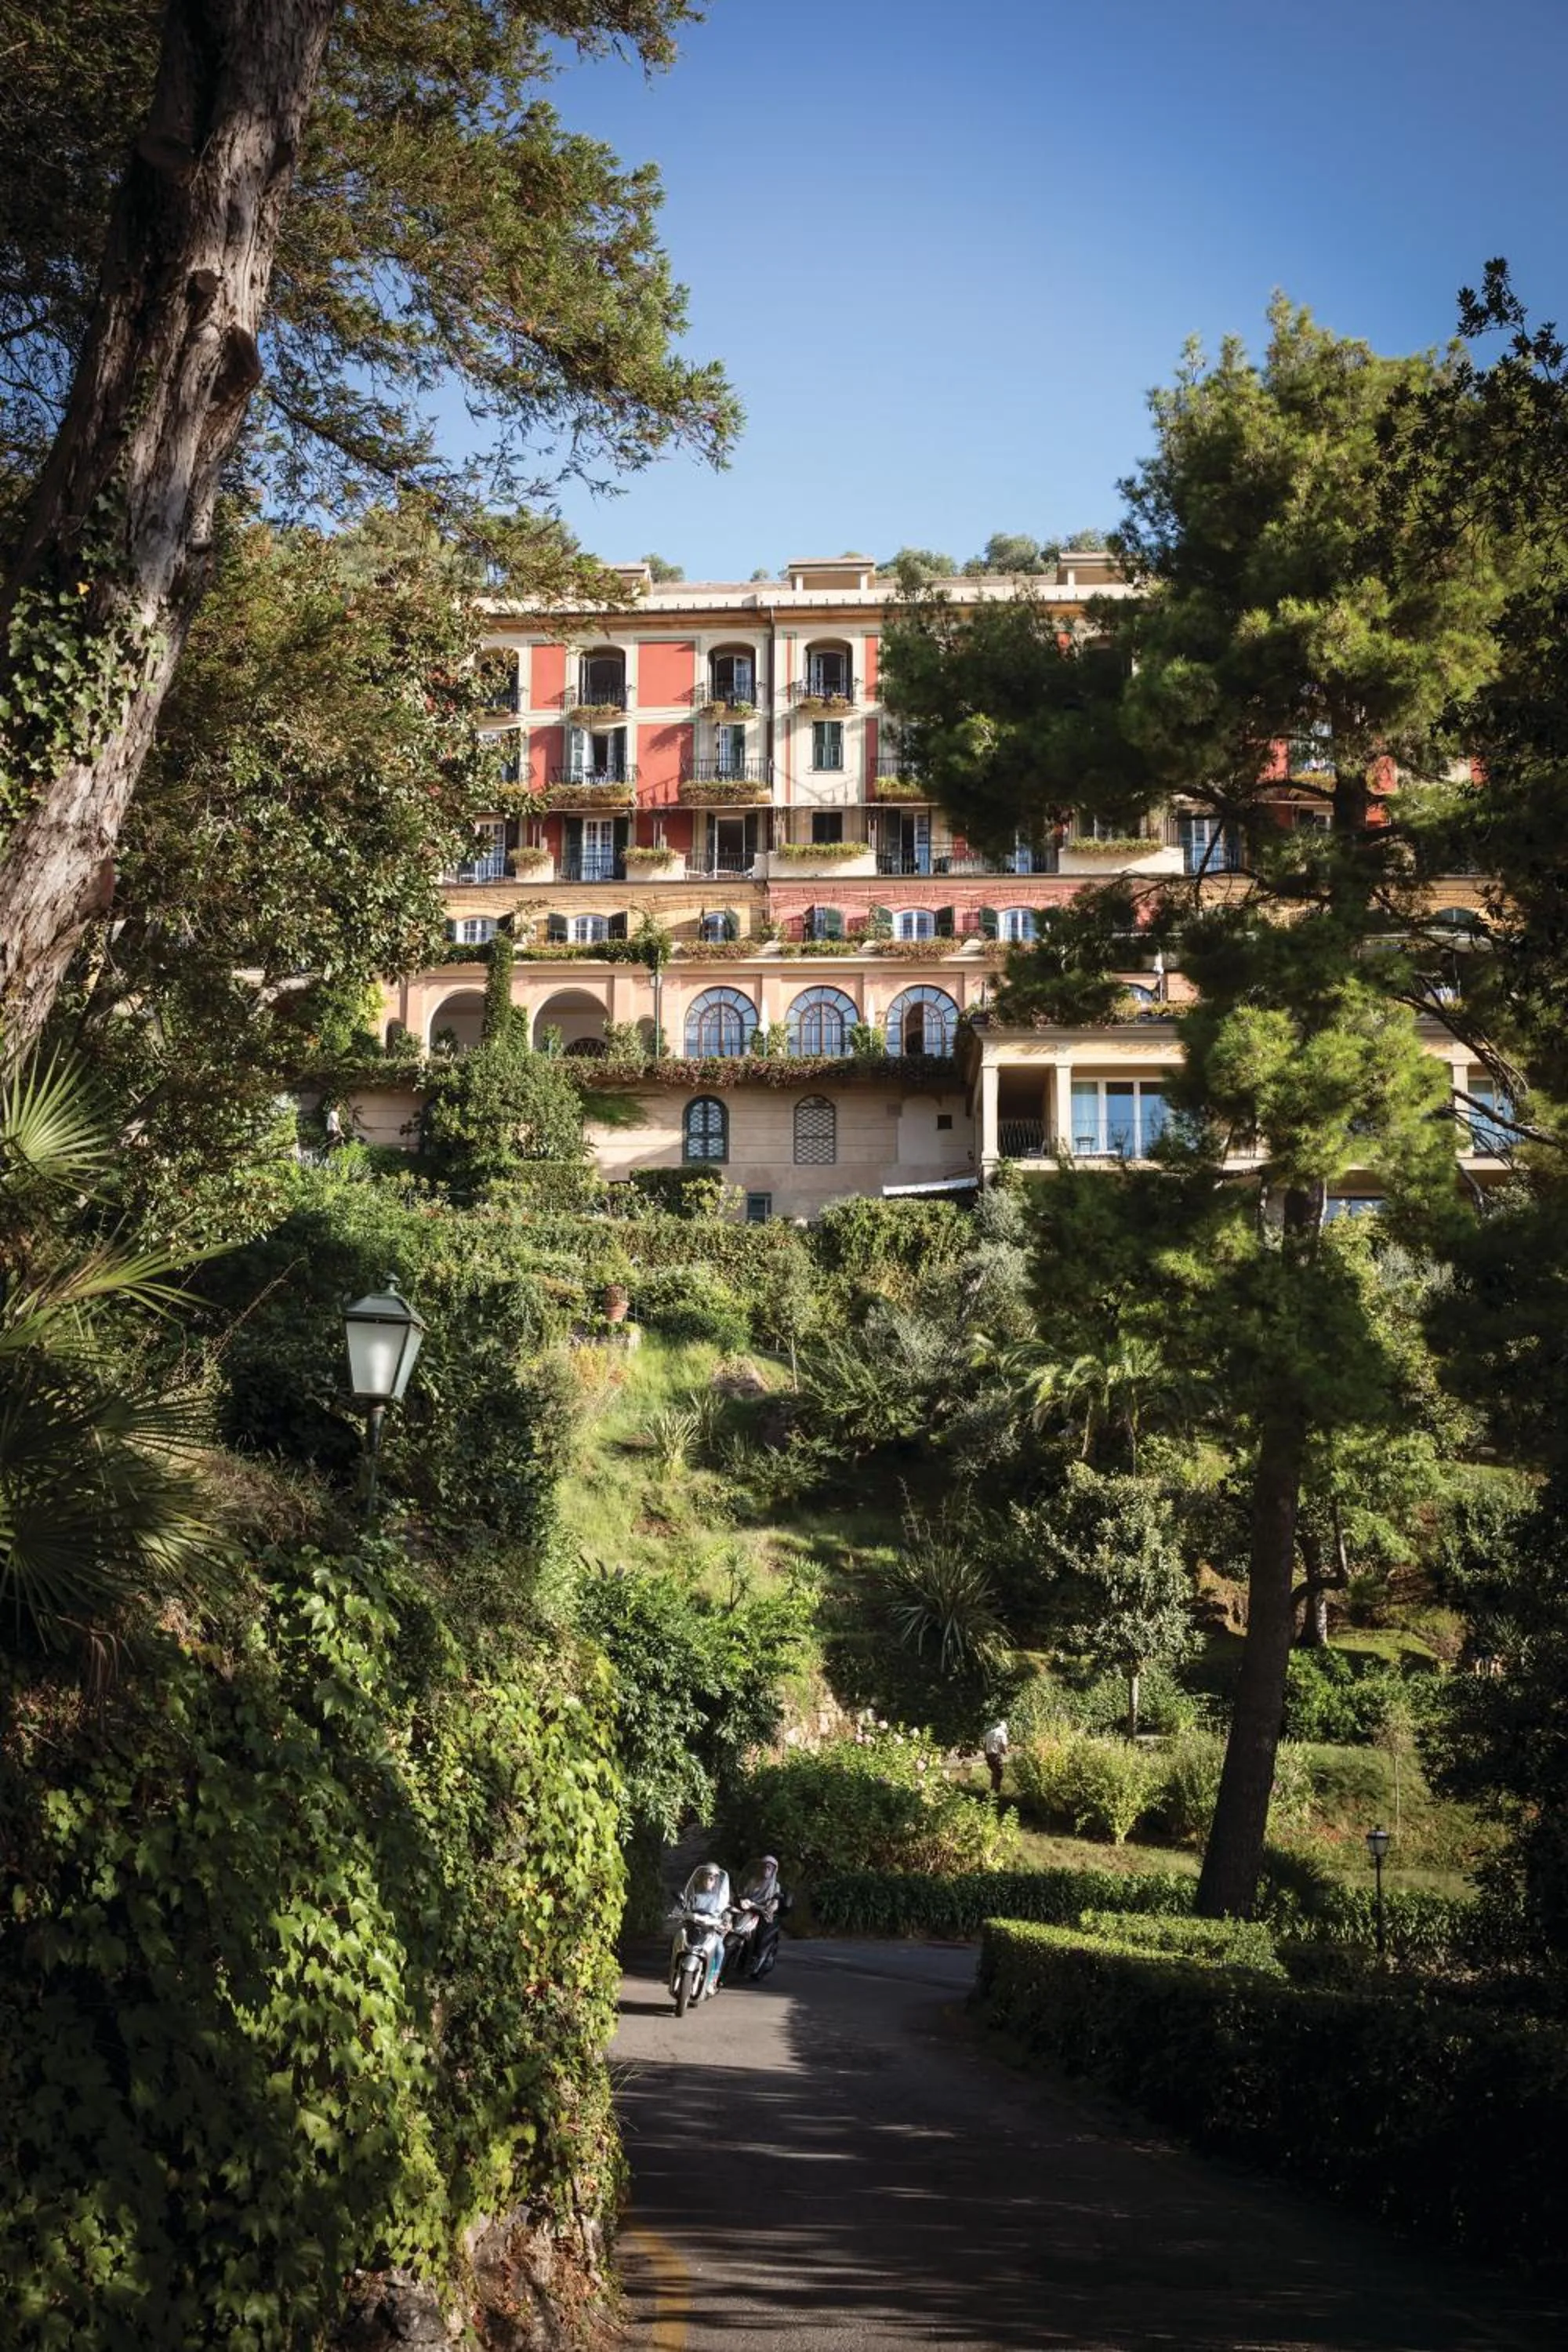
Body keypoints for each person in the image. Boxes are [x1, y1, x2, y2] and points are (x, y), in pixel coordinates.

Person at [677, 1861, 732, 1996]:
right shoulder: (694, 1895)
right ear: (701, 1879)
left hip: (711, 1930)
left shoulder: (720, 1898)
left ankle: (713, 1979)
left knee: (719, 1949)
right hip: (693, 1928)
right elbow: (683, 1906)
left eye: (712, 1879)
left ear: (716, 1882)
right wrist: (677, 1913)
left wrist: (726, 1921)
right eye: (706, 1877)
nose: (709, 1881)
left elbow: (726, 1911)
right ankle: (676, 1968)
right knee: (678, 1939)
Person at [982, 1719, 1009, 1797]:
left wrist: (986, 1755)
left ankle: (992, 1791)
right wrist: (1006, 1753)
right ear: (1004, 1728)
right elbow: (1004, 1746)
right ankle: (995, 1792)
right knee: (999, 1773)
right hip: (996, 1756)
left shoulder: (989, 1733)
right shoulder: (1002, 1734)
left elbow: (985, 1746)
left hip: (988, 1756)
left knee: (994, 1773)